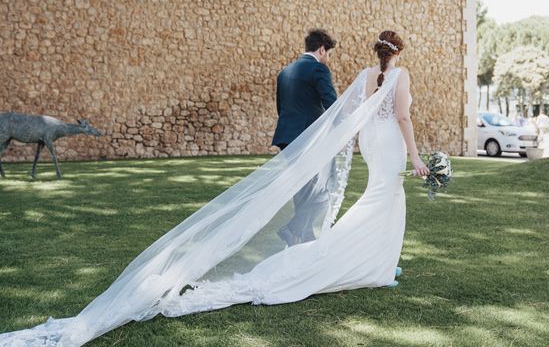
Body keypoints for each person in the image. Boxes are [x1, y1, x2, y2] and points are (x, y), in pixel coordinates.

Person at [0, 31, 429, 347]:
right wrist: (402, 153)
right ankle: (327, 249)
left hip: (318, 140)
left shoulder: (307, 70)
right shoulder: (351, 72)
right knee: (344, 197)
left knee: (332, 196)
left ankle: (328, 246)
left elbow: (330, 108)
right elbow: (370, 112)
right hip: (355, 141)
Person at [272, 29, 338, 246]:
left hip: (286, 137)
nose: (327, 58)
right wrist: (344, 128)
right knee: (321, 190)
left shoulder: (285, 71)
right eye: (328, 53)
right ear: (321, 49)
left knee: (302, 189)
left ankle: (303, 238)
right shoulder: (318, 69)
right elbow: (332, 104)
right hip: (310, 139)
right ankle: (292, 229)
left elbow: (281, 107)